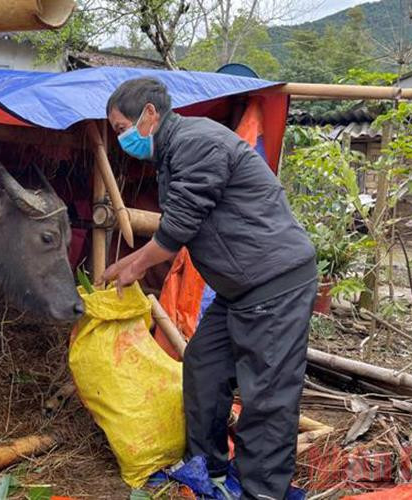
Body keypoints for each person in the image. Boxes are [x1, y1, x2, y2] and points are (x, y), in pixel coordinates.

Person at [101, 77, 317, 500]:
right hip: (240, 290)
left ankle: (262, 492)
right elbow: (182, 219)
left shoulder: (197, 142)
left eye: (120, 126)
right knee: (204, 365)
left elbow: (178, 228)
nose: (120, 137)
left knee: (267, 395)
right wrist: (128, 264)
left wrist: (131, 268)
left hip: (275, 285)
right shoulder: (172, 153)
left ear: (149, 114)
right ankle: (209, 467)